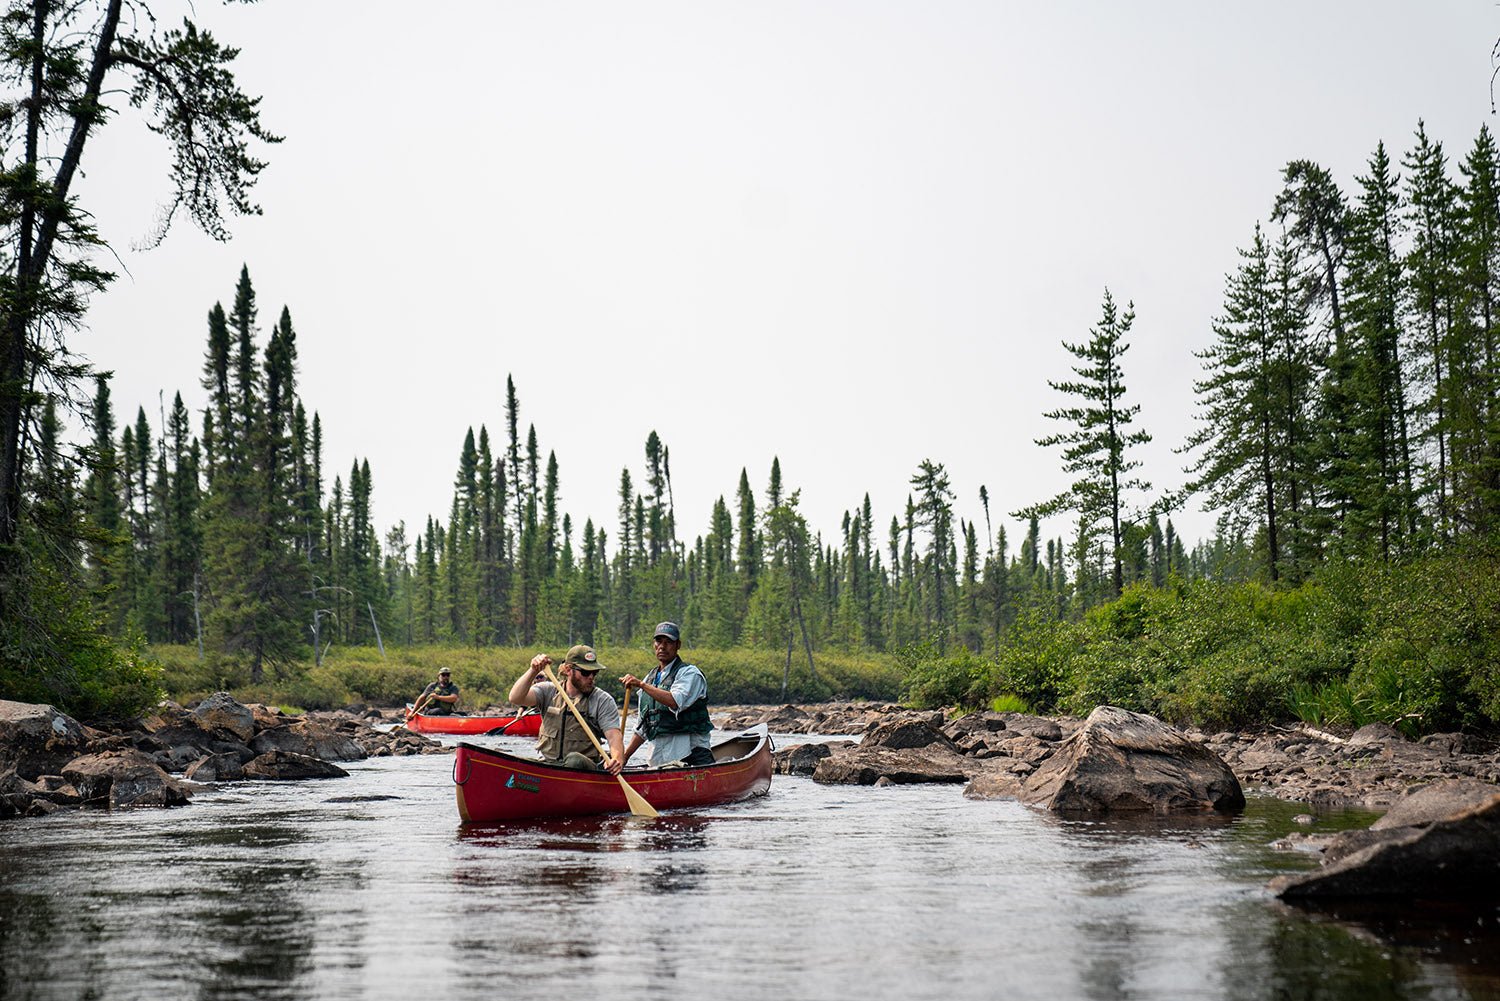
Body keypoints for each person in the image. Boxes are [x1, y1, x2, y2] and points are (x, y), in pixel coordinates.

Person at [509, 645, 625, 775]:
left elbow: (614, 736)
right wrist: (533, 671)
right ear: (569, 670)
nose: (591, 677)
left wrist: (617, 758)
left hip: (583, 769)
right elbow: (515, 698)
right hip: (549, 765)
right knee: (513, 763)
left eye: (595, 672)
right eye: (586, 673)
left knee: (574, 760)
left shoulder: (602, 700)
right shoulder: (548, 691)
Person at [620, 621, 714, 767]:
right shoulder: (649, 678)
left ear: (678, 645)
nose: (662, 646)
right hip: (659, 758)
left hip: (691, 756)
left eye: (668, 642)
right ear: (654, 645)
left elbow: (674, 701)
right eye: (659, 641)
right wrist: (624, 757)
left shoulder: (690, 673)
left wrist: (641, 685)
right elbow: (642, 728)